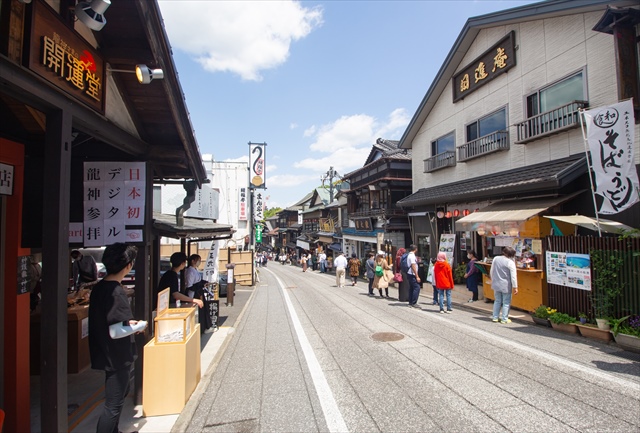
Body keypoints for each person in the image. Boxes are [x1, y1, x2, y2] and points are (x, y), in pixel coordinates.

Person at [88, 243, 147, 433]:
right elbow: (115, 331)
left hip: (105, 351)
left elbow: (111, 322)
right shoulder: (116, 291)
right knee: (113, 405)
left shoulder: (100, 287)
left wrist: (128, 324)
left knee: (117, 399)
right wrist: (139, 326)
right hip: (116, 355)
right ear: (128, 265)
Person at [185, 254, 214, 334]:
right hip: (194, 294)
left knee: (203, 310)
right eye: (198, 260)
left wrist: (204, 283)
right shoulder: (190, 271)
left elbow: (198, 281)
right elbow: (189, 286)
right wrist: (200, 285)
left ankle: (205, 327)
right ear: (193, 261)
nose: (199, 262)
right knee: (199, 311)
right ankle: (201, 328)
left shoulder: (194, 270)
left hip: (198, 292)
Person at [490, 246, 518, 324]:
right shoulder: (510, 262)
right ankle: (504, 318)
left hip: (496, 283)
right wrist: (515, 286)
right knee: (506, 302)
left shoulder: (496, 258)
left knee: (497, 301)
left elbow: (492, 271)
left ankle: (495, 317)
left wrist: (492, 279)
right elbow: (513, 276)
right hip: (506, 284)